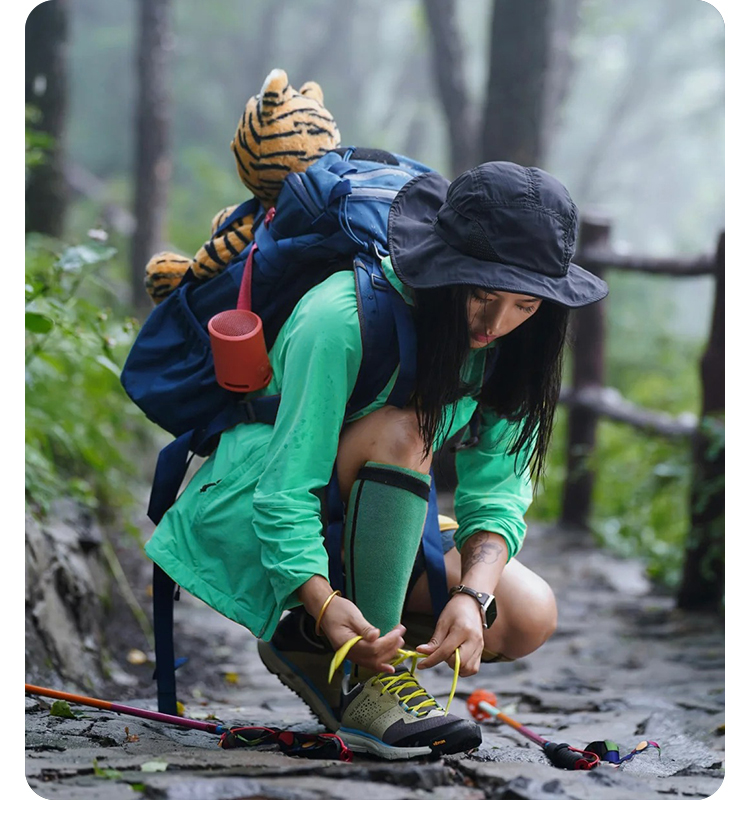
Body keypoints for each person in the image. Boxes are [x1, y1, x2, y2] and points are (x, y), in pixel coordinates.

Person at [145, 161, 608, 760]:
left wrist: (474, 597)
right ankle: (372, 684)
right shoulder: (341, 316)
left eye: (524, 303)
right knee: (406, 429)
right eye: (482, 295)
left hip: (372, 522)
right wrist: (320, 596)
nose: (497, 324)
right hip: (260, 509)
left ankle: (317, 649)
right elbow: (288, 487)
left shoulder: (513, 345)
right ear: (444, 270)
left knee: (527, 614)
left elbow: (496, 490)